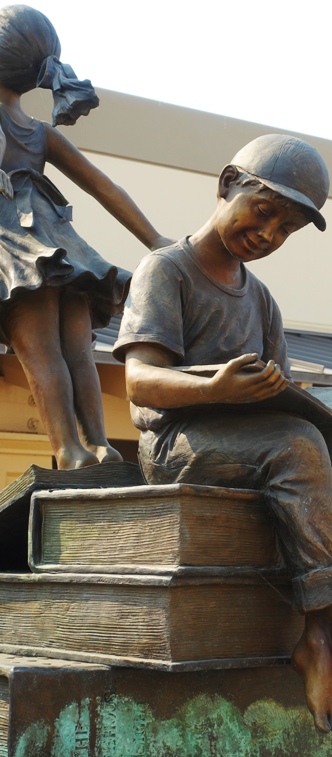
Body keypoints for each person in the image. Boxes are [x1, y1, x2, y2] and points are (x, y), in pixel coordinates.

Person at [114, 133, 332, 733]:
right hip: (177, 444)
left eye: (285, 230)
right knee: (294, 444)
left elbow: (281, 397)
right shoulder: (165, 269)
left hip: (254, 441)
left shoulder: (262, 300)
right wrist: (212, 390)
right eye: (263, 211)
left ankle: (319, 637)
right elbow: (139, 383)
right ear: (229, 183)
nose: (268, 233)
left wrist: (323, 414)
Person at [0, 5, 171, 470]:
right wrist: (156, 240)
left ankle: (69, 450)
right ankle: (100, 443)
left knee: (41, 354)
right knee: (78, 352)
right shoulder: (38, 133)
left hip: (21, 252)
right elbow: (103, 187)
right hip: (66, 252)